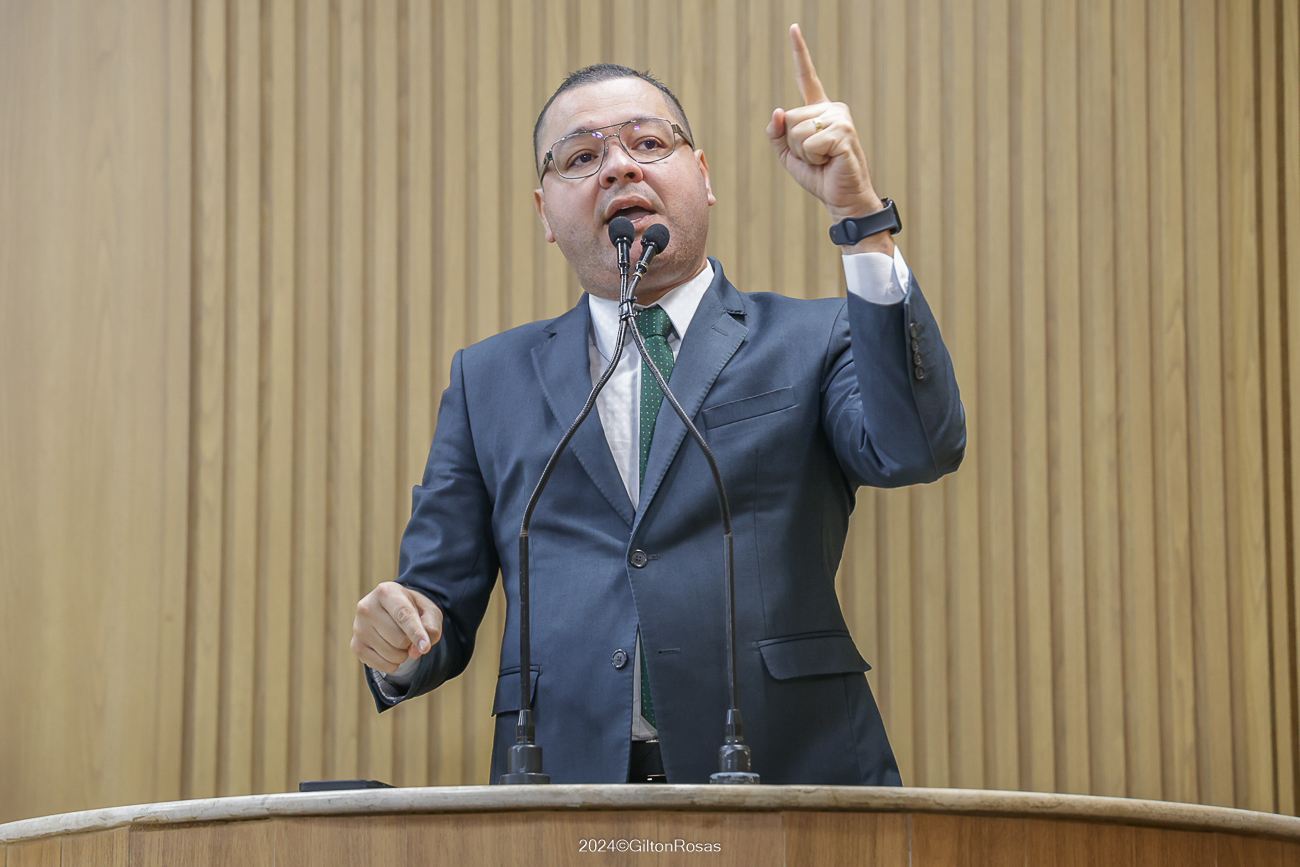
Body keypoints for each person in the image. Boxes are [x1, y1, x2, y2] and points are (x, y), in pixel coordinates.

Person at [350, 25, 964, 785]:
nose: (618, 166)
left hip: (790, 772)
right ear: (545, 212)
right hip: (559, 785)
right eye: (581, 157)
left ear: (702, 176)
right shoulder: (488, 379)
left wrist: (861, 218)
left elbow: (919, 446)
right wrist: (400, 634)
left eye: (648, 142)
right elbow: (436, 598)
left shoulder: (815, 338)